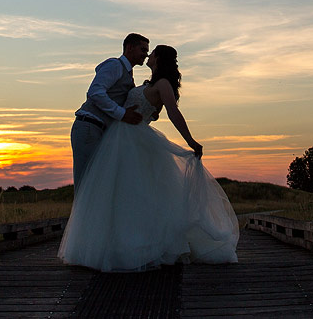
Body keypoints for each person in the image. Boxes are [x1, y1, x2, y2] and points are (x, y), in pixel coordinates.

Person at [59, 44, 239, 272]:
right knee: (117, 194)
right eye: (145, 50)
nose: (148, 55)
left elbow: (173, 112)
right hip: (118, 139)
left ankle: (137, 245)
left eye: (152, 52)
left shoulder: (163, 84)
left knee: (133, 194)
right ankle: (113, 244)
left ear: (159, 59)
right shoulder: (144, 82)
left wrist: (190, 141)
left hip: (132, 140)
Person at [70, 33, 148, 192]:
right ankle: (81, 217)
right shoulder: (114, 65)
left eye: (147, 51)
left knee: (98, 181)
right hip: (88, 127)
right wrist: (122, 113)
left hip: (100, 131)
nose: (145, 55)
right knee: (86, 182)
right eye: (143, 49)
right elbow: (95, 92)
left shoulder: (127, 74)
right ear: (130, 47)